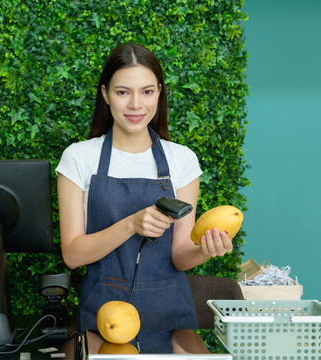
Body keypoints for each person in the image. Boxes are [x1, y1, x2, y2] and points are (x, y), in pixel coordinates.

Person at [55, 43, 234, 354]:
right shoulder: (79, 158)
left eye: (147, 92)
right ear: (105, 93)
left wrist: (205, 250)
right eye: (123, 92)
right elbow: (72, 254)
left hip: (170, 318)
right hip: (103, 320)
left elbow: (180, 255)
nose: (136, 105)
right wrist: (131, 224)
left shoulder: (182, 161)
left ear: (159, 93)